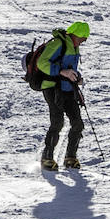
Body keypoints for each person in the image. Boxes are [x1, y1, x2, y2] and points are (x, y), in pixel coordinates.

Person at [36, 21, 91, 171]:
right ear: (75, 34)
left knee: (78, 123)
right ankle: (46, 158)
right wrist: (62, 72)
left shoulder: (74, 46)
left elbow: (69, 68)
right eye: (82, 37)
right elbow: (42, 63)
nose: (84, 41)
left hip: (67, 89)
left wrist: (77, 78)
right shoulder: (58, 43)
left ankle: (70, 157)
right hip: (52, 87)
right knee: (57, 122)